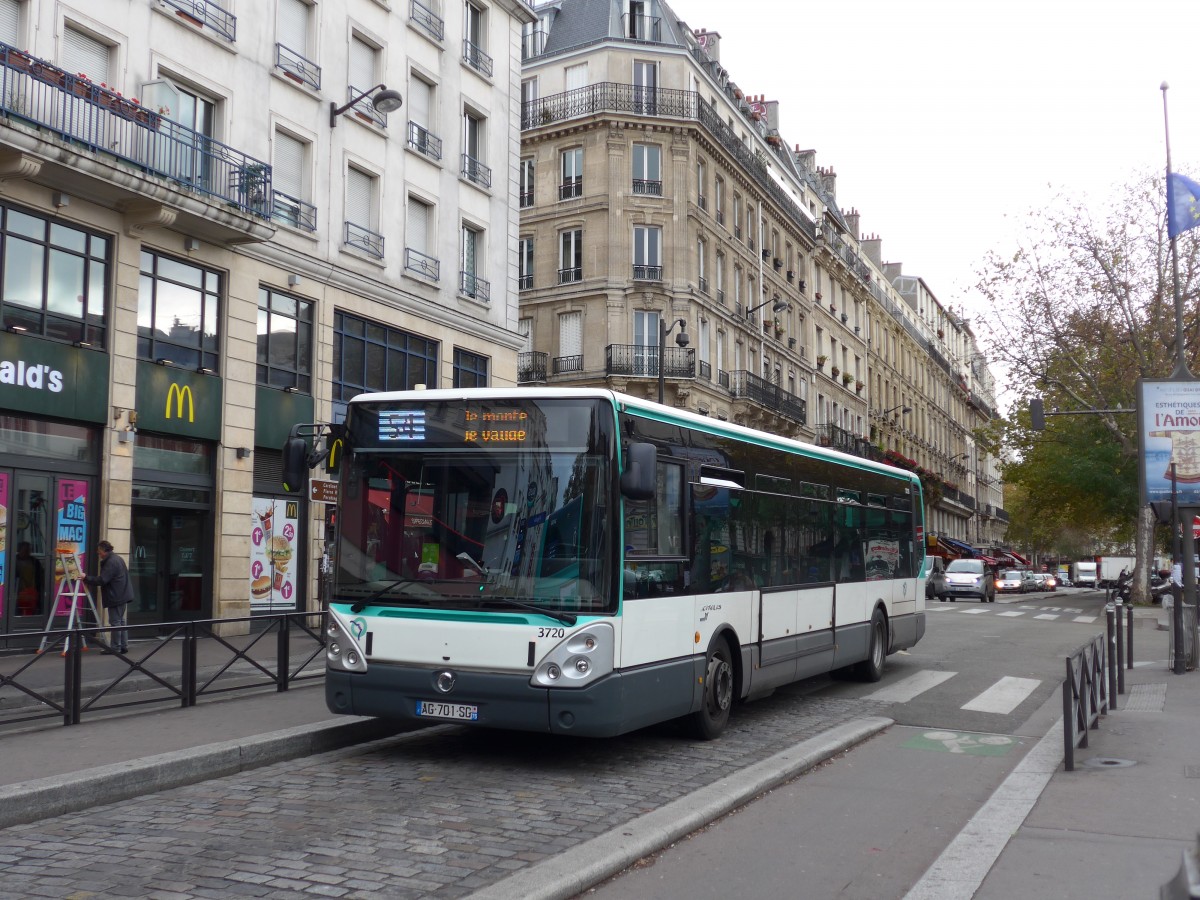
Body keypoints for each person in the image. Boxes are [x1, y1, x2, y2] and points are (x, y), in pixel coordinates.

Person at [85, 540, 134, 654]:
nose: (99, 554)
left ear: (104, 550)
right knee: (121, 621)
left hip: (116, 596)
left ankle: (115, 648)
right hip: (122, 594)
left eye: (99, 552)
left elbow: (102, 580)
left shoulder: (111, 562)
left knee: (115, 622)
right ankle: (123, 645)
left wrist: (86, 578)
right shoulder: (117, 558)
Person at [15, 542, 44, 616]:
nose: (27, 552)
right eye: (25, 550)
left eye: (28, 550)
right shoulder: (13, 561)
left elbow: (40, 576)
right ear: (20, 550)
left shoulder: (35, 562)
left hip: (32, 592)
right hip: (18, 591)